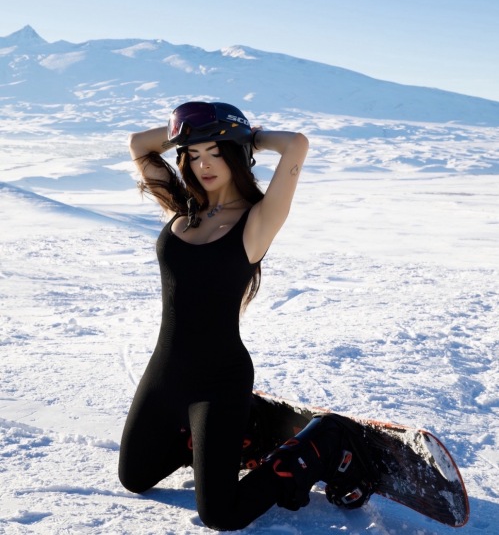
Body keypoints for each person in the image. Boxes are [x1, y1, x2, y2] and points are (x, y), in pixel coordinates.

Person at [118, 101, 372, 531]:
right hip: (165, 373)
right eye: (193, 155)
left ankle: (328, 439)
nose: (204, 165)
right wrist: (190, 131)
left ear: (236, 154)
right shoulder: (184, 208)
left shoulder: (257, 221)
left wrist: (248, 135)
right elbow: (139, 145)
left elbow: (296, 145)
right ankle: (250, 428)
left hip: (219, 380)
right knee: (135, 477)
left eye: (216, 153)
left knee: (222, 514)